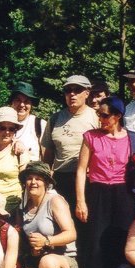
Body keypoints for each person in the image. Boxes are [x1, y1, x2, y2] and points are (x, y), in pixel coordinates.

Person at [74, 96, 135, 268]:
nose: (100, 119)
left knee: (118, 247)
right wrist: (81, 201)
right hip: (98, 193)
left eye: (105, 115)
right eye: (99, 115)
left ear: (118, 116)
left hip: (124, 196)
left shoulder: (133, 139)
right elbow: (81, 170)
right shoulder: (91, 137)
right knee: (94, 247)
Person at [13, 161, 78, 268]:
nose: (33, 182)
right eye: (29, 178)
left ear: (47, 182)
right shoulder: (22, 207)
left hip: (63, 261)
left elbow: (71, 234)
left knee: (48, 262)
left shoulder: (54, 201)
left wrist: (47, 241)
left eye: (38, 179)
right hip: (36, 261)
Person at [40, 75, 99, 217]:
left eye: (77, 90)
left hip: (88, 179)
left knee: (86, 224)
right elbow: (47, 155)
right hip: (60, 178)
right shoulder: (55, 119)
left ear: (87, 93)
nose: (72, 94)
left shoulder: (96, 117)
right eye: (68, 90)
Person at [8, 82, 46, 162]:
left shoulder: (40, 125)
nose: (22, 105)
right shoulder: (2, 123)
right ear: (12, 102)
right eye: (18, 100)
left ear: (31, 104)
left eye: (26, 101)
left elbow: (47, 156)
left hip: (32, 171)